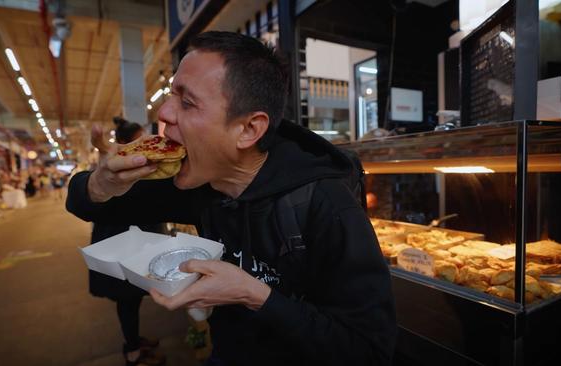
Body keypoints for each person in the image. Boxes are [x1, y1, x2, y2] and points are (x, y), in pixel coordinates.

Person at [67, 31, 396, 366]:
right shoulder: (199, 180)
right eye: (170, 96)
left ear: (249, 130)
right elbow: (82, 203)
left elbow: (369, 351)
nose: (164, 114)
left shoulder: (326, 206)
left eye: (187, 102)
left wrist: (253, 294)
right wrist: (102, 182)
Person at [88, 118, 165, 366]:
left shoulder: (145, 163)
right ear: (122, 145)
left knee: (132, 298)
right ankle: (132, 351)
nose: (145, 144)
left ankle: (135, 339)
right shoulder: (112, 163)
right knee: (126, 298)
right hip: (119, 244)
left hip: (133, 242)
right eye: (138, 139)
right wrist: (102, 147)